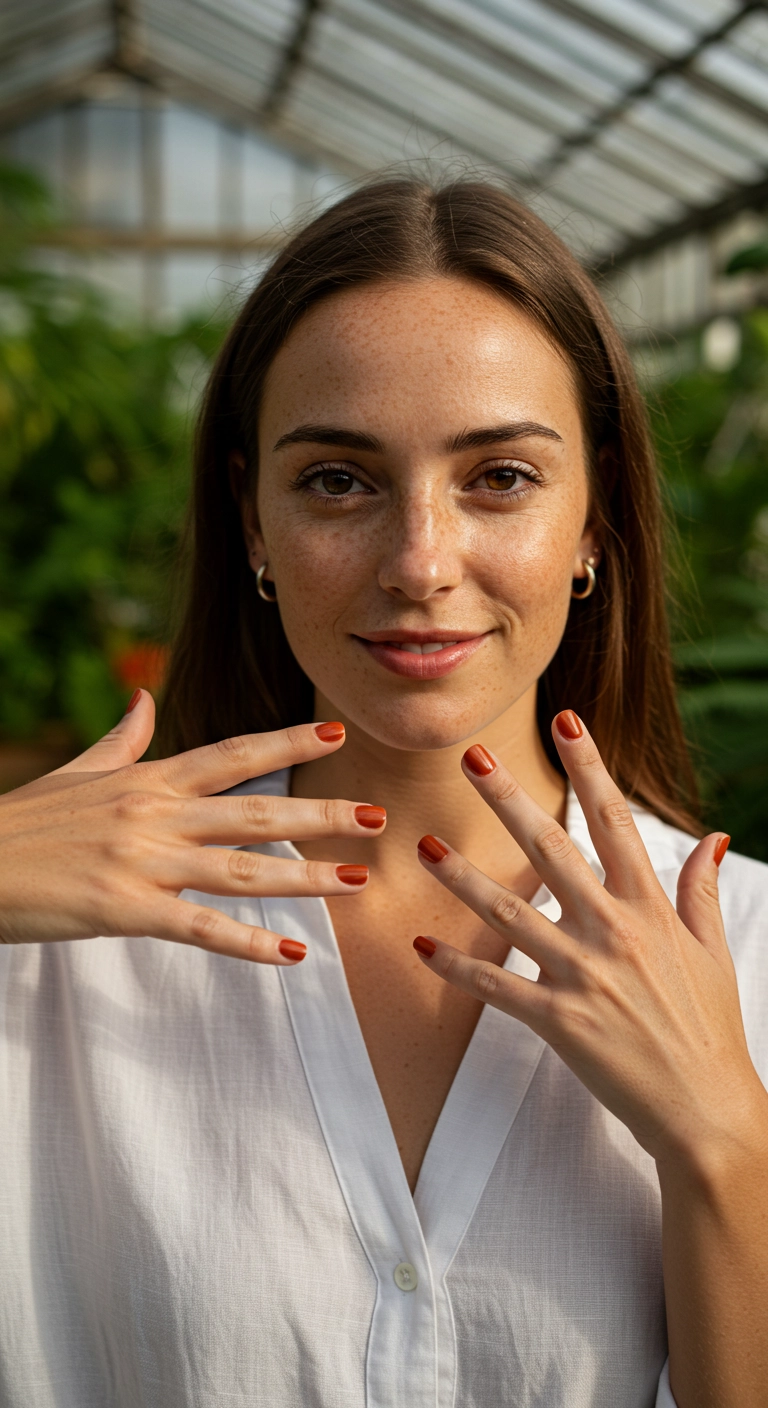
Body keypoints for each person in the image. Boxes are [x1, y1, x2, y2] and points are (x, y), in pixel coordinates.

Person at [0, 179, 766, 1408]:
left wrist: (728, 1144)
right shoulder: (53, 952)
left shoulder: (752, 956)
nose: (420, 560)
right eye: (339, 483)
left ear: (596, 521)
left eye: (500, 476)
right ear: (252, 516)